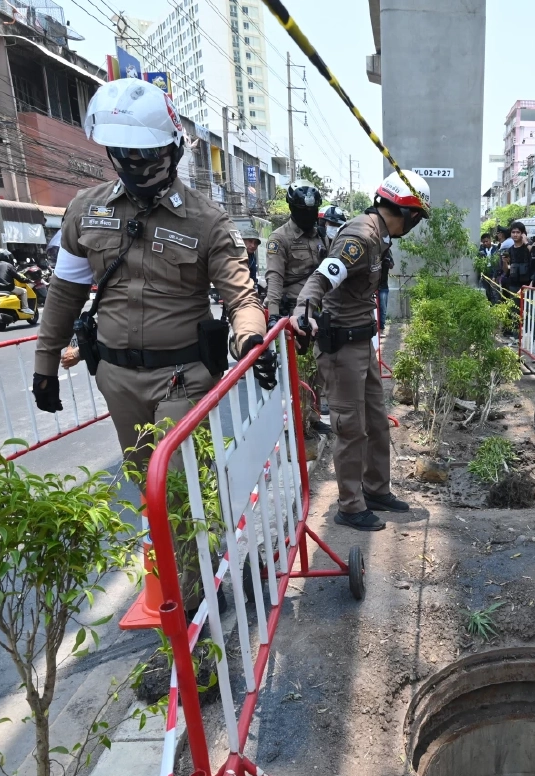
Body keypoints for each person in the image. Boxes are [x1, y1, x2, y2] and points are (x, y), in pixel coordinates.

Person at [31, 78, 268, 469]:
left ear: (172, 150)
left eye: (146, 153)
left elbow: (241, 297)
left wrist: (250, 341)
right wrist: (45, 367)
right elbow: (64, 294)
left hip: (182, 378)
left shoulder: (207, 221)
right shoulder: (85, 210)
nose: (135, 163)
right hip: (116, 378)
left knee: (178, 488)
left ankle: (196, 531)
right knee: (143, 480)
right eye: (124, 153)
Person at [292, 170, 430, 531]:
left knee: (376, 423)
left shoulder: (380, 236)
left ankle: (376, 490)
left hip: (361, 343)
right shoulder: (360, 236)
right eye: (417, 217)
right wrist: (304, 310)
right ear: (408, 213)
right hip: (341, 348)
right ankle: (350, 505)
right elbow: (322, 277)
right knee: (350, 428)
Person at [266, 184, 326, 321]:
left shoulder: (321, 236)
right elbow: (275, 277)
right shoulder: (279, 238)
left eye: (312, 210)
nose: (308, 215)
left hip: (320, 309)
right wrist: (273, 316)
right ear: (292, 208)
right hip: (293, 313)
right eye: (303, 211)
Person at [500, 222, 532, 297]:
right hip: (513, 286)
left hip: (528, 286)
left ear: (523, 234)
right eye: (513, 232)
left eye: (518, 232)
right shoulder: (509, 251)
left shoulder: (528, 248)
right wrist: (504, 262)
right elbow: (506, 271)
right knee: (514, 308)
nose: (515, 234)